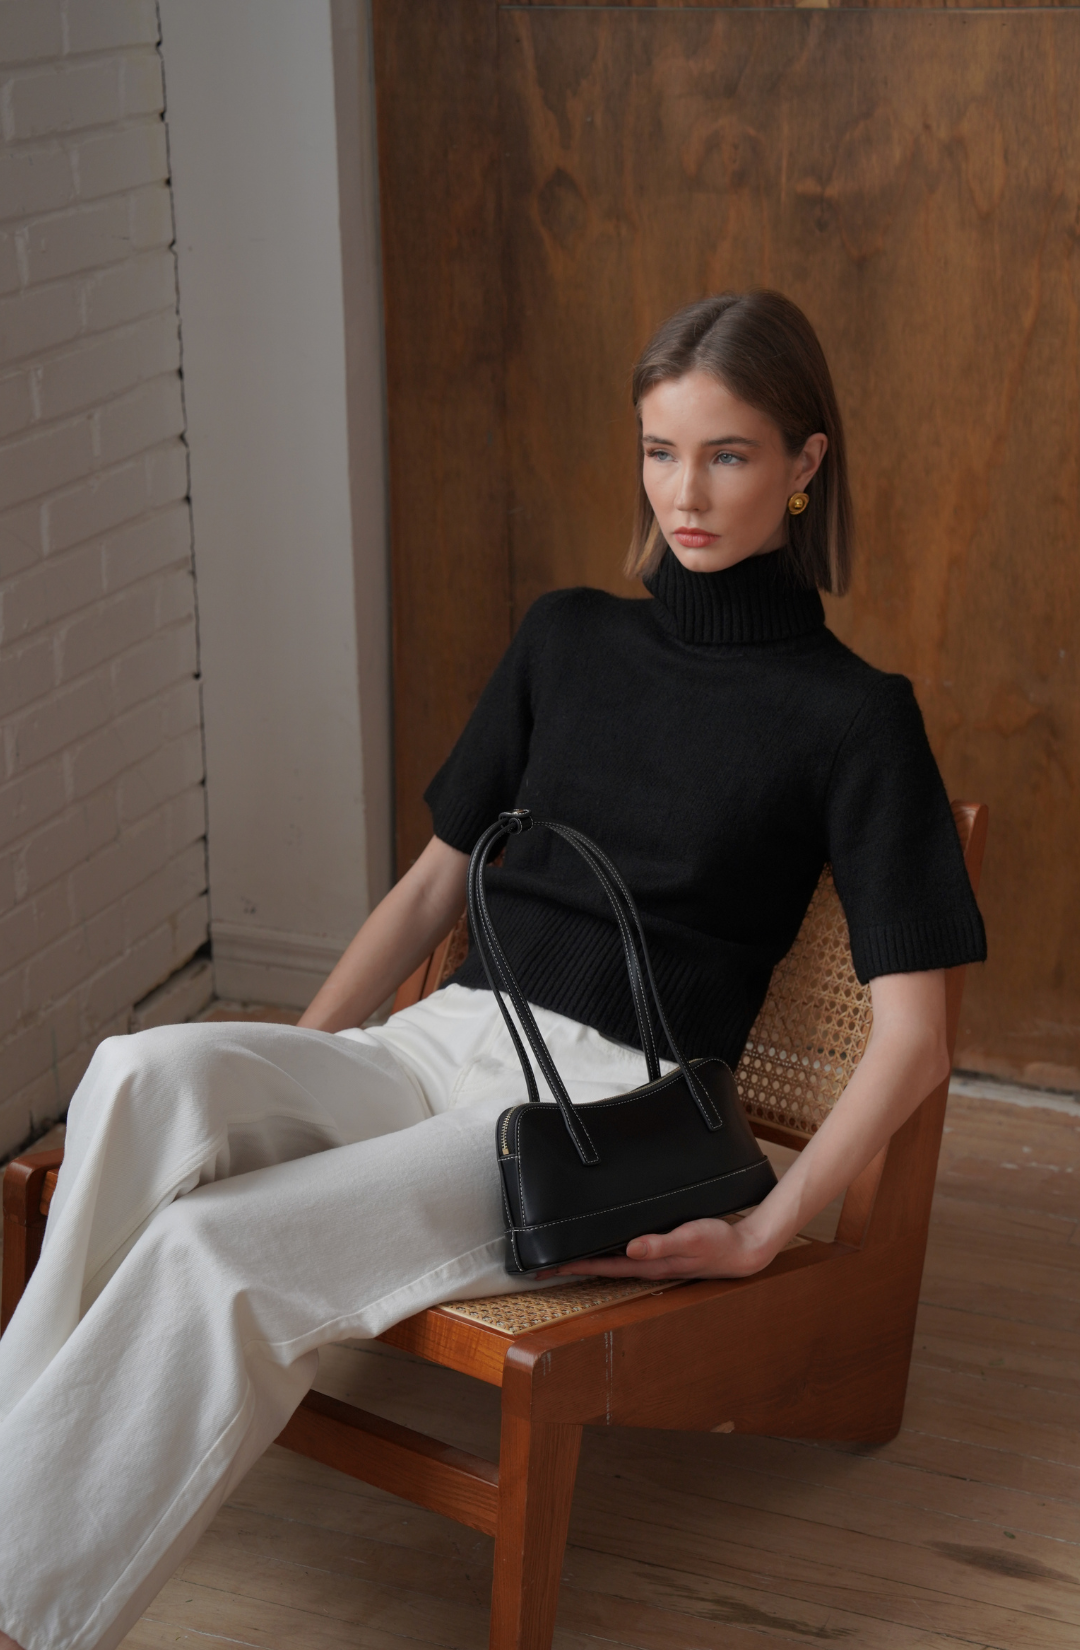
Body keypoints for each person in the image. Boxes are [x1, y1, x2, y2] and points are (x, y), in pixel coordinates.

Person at [0, 290, 985, 1650]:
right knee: (137, 1073)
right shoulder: (567, 637)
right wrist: (299, 1065)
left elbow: (917, 1036)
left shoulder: (857, 719)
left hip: (600, 1111)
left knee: (215, 1250)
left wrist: (766, 1231)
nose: (685, 492)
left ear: (806, 463)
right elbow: (430, 887)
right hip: (440, 1039)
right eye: (660, 451)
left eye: (729, 454)